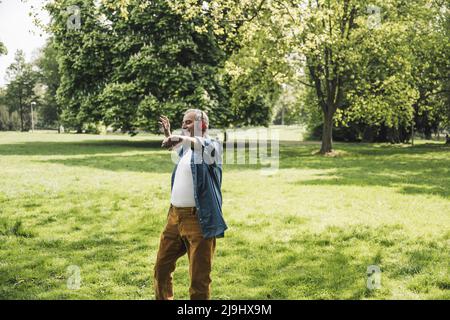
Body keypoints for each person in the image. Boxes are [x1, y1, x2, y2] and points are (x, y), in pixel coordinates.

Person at [154, 109, 227, 300]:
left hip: (198, 220)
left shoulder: (213, 147)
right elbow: (177, 147)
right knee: (161, 268)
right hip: (174, 218)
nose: (184, 125)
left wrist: (180, 137)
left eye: (188, 122)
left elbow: (200, 144)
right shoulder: (187, 150)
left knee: (199, 280)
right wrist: (169, 135)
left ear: (202, 125)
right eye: (183, 122)